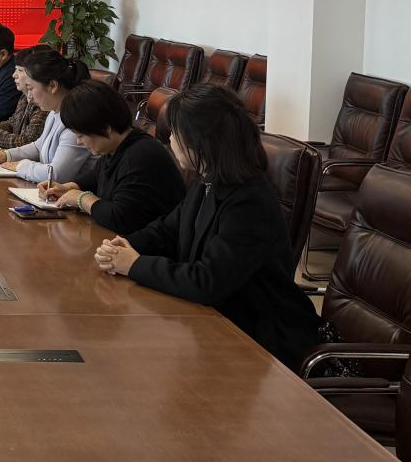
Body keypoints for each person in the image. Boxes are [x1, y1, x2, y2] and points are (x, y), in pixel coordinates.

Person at [94, 84, 321, 369]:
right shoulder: (209, 179)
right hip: (218, 319)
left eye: (175, 133)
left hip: (261, 339)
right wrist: (124, 246)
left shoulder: (248, 202)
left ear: (199, 141)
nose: (170, 139)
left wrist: (134, 264)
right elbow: (167, 230)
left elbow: (206, 282)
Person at [38, 79, 185, 235]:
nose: (78, 142)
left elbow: (120, 218)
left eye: (80, 135)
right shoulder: (117, 147)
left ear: (105, 128)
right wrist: (67, 188)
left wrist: (82, 199)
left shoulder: (142, 155)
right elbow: (96, 177)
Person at [0, 47, 96, 186]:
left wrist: (21, 166)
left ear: (52, 86)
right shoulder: (54, 112)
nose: (29, 96)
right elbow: (38, 146)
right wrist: (6, 155)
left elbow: (56, 175)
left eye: (30, 88)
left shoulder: (75, 120)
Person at [0, 48, 47, 149]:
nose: (14, 75)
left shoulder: (42, 103)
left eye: (20, 70)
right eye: (15, 69)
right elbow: (13, 123)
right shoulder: (24, 97)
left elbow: (27, 142)